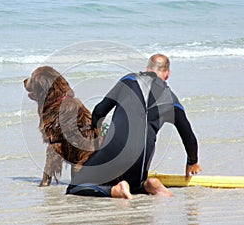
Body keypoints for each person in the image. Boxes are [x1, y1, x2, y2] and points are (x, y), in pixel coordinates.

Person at [66, 54, 202, 199]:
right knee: (134, 184)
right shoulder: (172, 100)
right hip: (141, 160)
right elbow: (189, 136)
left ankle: (116, 191)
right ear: (167, 74)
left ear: (147, 68)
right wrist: (192, 161)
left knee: (75, 187)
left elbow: (99, 111)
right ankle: (148, 185)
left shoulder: (128, 80)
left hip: (114, 149)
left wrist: (98, 132)